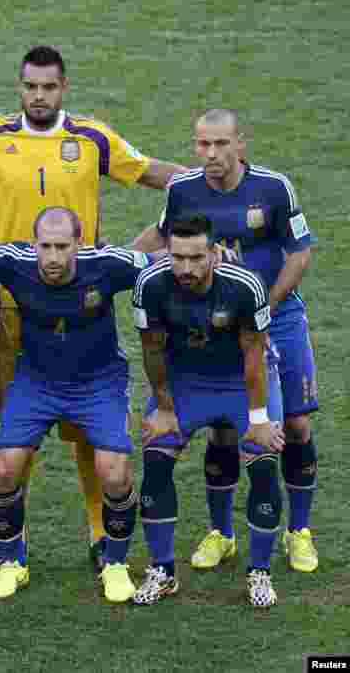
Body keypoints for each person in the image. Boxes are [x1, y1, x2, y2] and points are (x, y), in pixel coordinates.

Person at [0, 45, 187, 568]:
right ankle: (13, 541)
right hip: (11, 303)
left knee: (89, 427)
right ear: (19, 88)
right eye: (30, 86)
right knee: (18, 424)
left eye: (48, 87)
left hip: (84, 301)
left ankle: (99, 531)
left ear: (64, 88)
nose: (38, 96)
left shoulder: (91, 138)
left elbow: (155, 173)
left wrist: (209, 186)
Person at [132, 109, 318, 573]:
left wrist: (267, 308)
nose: (210, 154)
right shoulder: (182, 189)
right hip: (214, 320)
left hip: (278, 314)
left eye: (220, 144)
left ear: (241, 144)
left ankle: (299, 531)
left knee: (293, 426)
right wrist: (117, 260)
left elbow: (300, 252)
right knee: (220, 426)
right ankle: (222, 533)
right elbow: (161, 236)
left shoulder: (274, 188)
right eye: (202, 144)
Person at [0, 207, 151, 602]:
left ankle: (116, 563)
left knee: (115, 472)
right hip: (36, 381)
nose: (53, 257)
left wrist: (212, 253)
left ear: (79, 244)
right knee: (4, 468)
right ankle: (10, 562)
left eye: (62, 246)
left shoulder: (107, 265)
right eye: (45, 246)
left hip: (98, 381)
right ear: (33, 244)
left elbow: (160, 262)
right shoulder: (12, 262)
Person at [132, 213, 285, 608]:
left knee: (263, 460)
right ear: (167, 251)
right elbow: (152, 350)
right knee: (156, 455)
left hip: (241, 380)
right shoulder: (150, 285)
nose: (186, 267)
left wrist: (258, 419)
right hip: (186, 381)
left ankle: (260, 572)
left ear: (215, 253)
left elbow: (254, 354)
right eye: (178, 257)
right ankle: (163, 570)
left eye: (196, 257)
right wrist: (164, 408)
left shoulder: (245, 286)